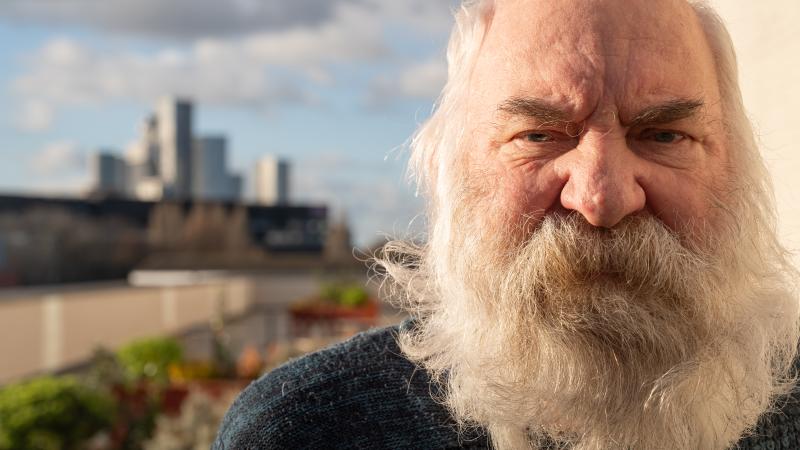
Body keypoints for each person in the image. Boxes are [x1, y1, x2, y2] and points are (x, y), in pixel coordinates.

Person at [214, 0, 800, 448]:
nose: (601, 197)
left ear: (740, 165)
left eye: (664, 134)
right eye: (539, 135)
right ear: (447, 170)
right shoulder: (305, 433)